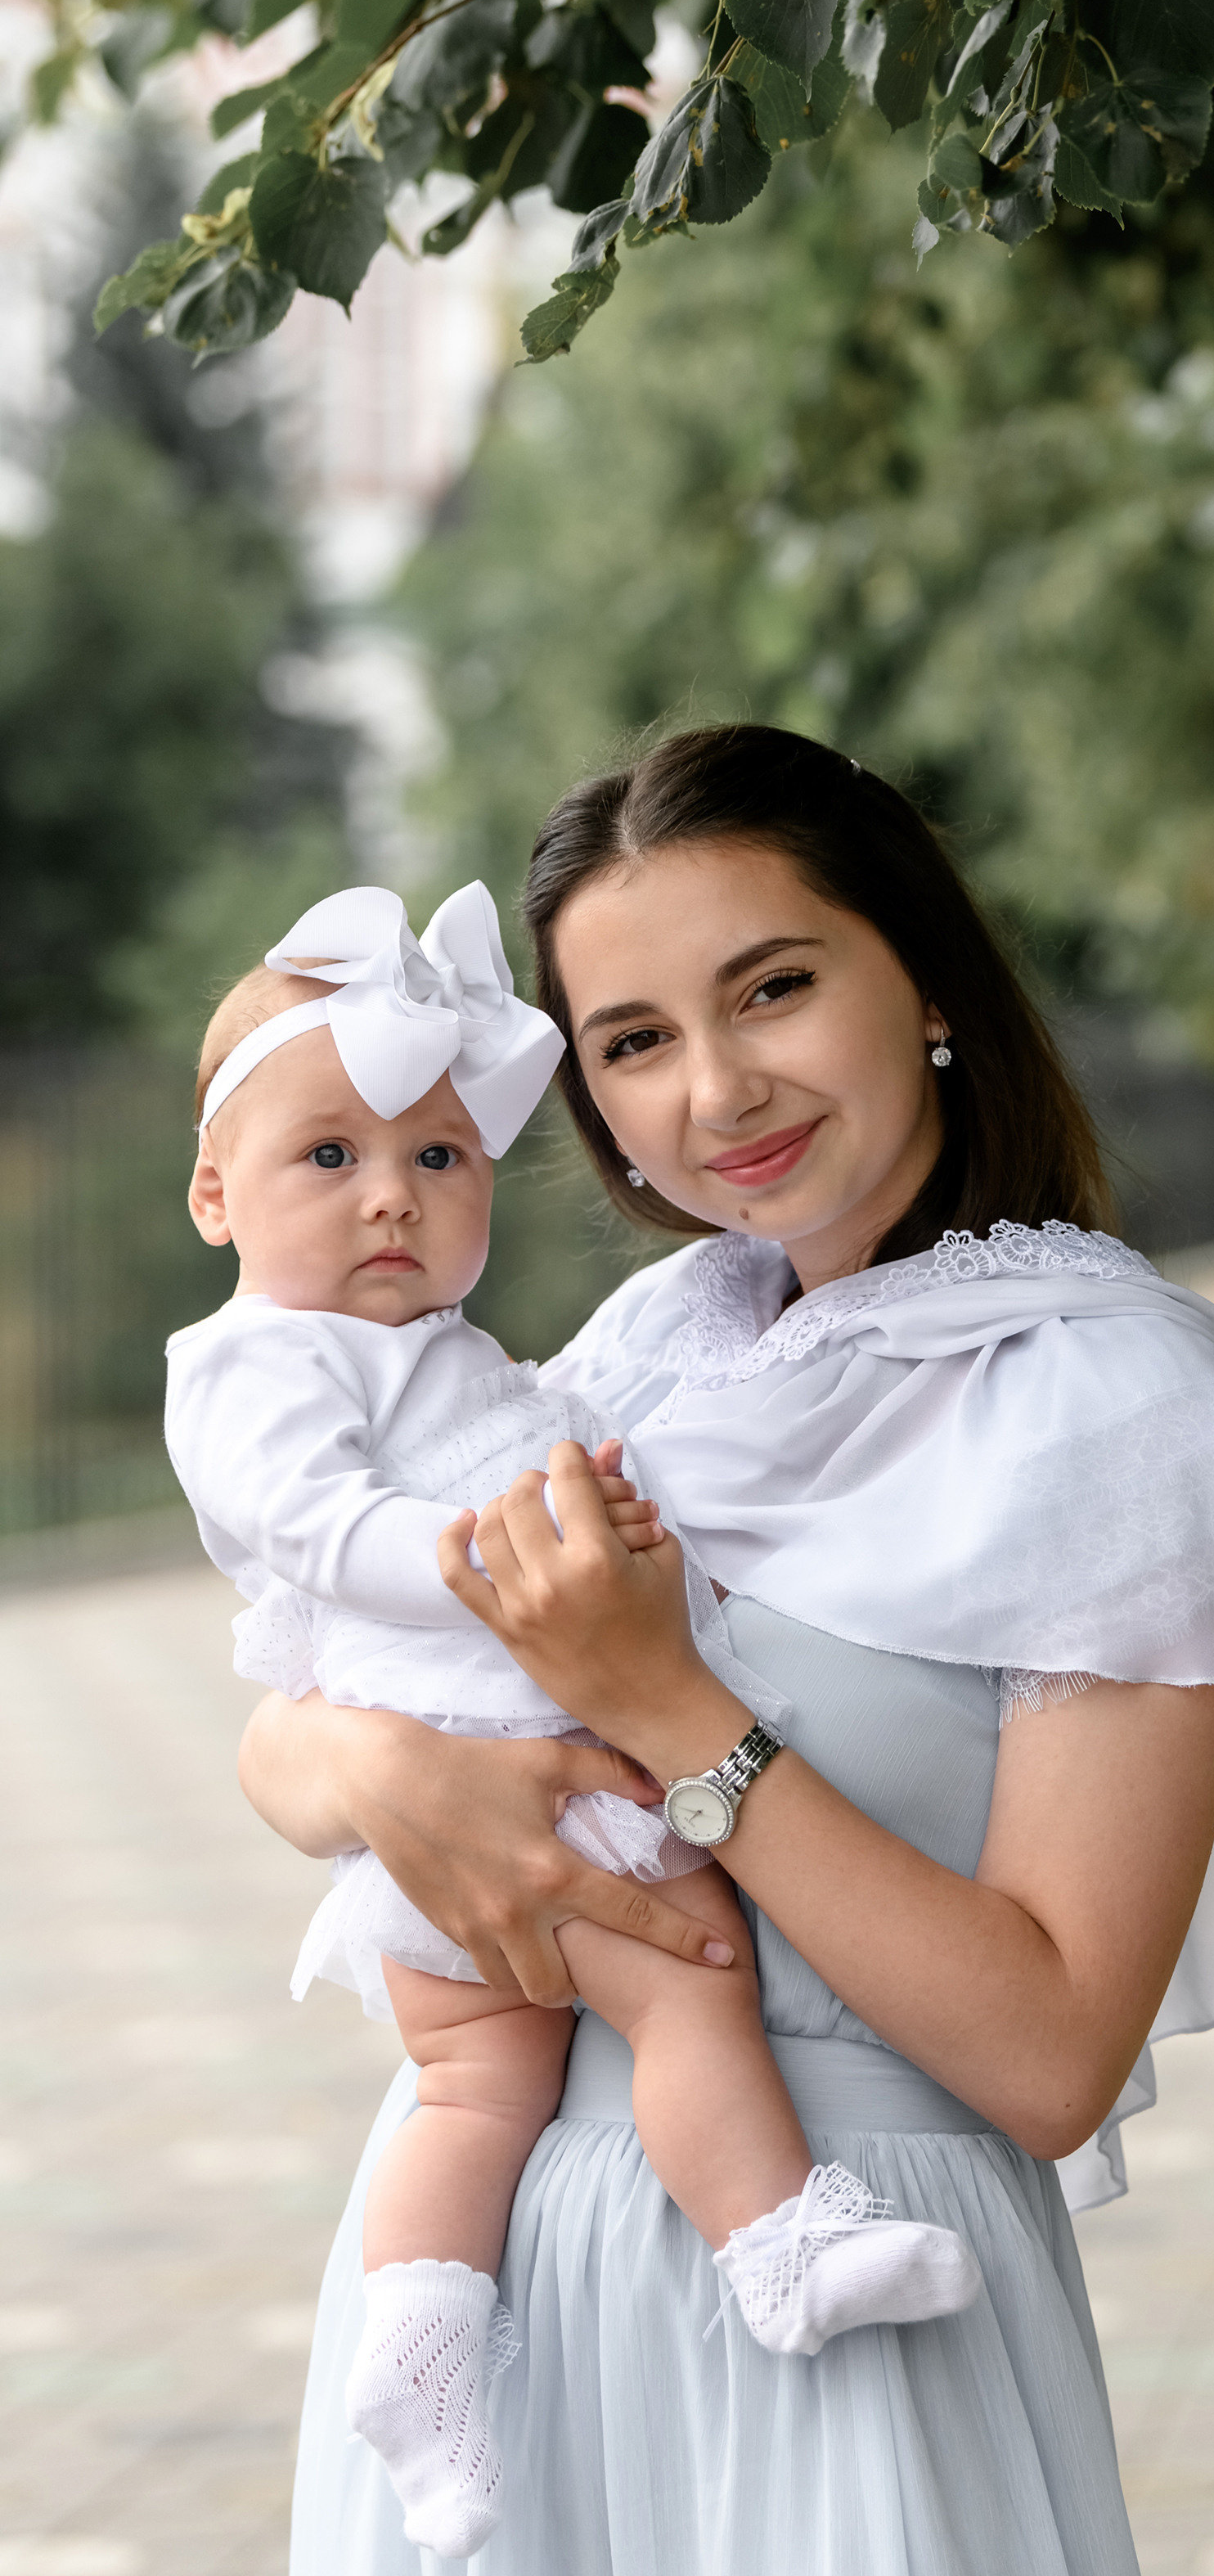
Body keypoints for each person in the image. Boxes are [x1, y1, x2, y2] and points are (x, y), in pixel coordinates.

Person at [240, 726, 1214, 2575]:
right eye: (635, 1042)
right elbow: (299, 1712)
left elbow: (1053, 2053)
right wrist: (382, 1771)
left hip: (840, 2323)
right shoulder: (646, 1359)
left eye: (777, 988)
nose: (719, 1089)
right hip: (495, 2300)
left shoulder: (1110, 1414)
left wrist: (668, 1707)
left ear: (928, 984)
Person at [170, 877, 977, 2560]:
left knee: (480, 2094)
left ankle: (430, 2346)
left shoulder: (473, 1358)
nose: (393, 1199)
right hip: (500, 1782)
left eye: (441, 1159)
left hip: (500, 1777)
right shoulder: (254, 1364)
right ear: (213, 1194)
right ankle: (773, 2238)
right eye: (333, 1159)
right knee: (677, 1985)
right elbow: (313, 1547)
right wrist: (494, 1572)